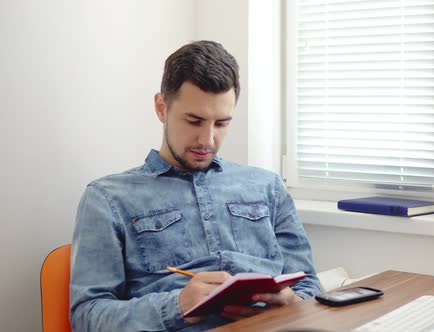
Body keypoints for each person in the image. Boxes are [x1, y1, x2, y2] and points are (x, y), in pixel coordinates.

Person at [69, 40, 321, 331]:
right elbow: (86, 316)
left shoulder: (269, 187)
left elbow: (308, 283)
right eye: (194, 120)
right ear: (161, 108)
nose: (207, 140)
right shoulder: (107, 199)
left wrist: (290, 302)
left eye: (221, 123)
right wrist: (176, 306)